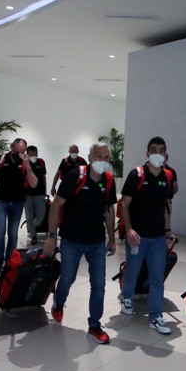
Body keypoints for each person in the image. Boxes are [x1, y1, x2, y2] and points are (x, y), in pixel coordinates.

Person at [43, 142, 116, 344]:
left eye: (107, 157)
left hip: (96, 242)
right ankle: (59, 302)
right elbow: (56, 206)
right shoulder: (75, 176)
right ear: (90, 157)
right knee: (67, 279)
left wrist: (112, 238)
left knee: (99, 284)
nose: (103, 160)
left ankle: (94, 325)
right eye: (99, 156)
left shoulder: (109, 180)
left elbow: (109, 210)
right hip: (71, 239)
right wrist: (51, 236)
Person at [119, 136, 175, 334]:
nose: (157, 154)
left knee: (157, 277)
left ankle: (156, 316)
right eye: (153, 150)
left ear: (166, 154)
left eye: (161, 150)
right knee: (132, 270)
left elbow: (167, 206)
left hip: (158, 238)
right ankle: (127, 296)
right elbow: (124, 203)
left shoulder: (167, 176)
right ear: (147, 153)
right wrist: (129, 229)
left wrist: (168, 231)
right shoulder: (137, 174)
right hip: (138, 237)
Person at [0, 138, 37, 275]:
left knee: (13, 233)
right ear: (11, 147)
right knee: (0, 231)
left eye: (21, 152)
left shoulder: (26, 163)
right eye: (16, 151)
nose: (18, 154)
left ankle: (9, 260)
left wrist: (27, 164)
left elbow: (34, 184)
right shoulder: (0, 159)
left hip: (18, 203)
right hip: (1, 201)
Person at [24, 145, 47, 245]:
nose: (34, 156)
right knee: (29, 216)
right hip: (27, 194)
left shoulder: (41, 162)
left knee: (40, 215)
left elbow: (43, 177)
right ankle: (34, 236)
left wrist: (45, 190)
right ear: (27, 154)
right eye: (31, 154)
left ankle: (30, 226)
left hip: (40, 193)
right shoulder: (24, 163)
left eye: (35, 154)